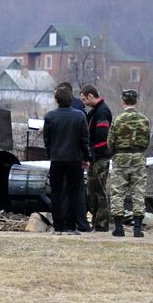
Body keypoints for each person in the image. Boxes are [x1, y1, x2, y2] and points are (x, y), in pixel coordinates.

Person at [42, 85, 92, 235]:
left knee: (56, 193)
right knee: (73, 193)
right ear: (71, 99)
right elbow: (85, 139)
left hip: (57, 159)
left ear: (56, 100)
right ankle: (71, 226)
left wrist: (50, 154)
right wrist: (87, 157)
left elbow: (47, 139)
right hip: (74, 160)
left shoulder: (50, 116)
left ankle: (58, 227)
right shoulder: (79, 116)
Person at [108, 88, 152, 237]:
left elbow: (110, 142)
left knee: (117, 192)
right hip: (138, 157)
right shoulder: (143, 119)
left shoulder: (118, 119)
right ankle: (138, 228)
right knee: (138, 192)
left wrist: (115, 152)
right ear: (136, 100)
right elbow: (146, 141)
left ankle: (119, 228)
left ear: (123, 101)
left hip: (121, 158)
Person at [55, 81, 91, 232]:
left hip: (61, 157)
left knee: (65, 192)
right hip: (74, 157)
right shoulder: (79, 111)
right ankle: (77, 224)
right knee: (76, 191)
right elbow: (84, 137)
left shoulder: (59, 114)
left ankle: (65, 224)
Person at [81, 84, 114, 231]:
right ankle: (95, 222)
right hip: (95, 157)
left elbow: (102, 136)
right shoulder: (94, 111)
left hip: (100, 158)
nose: (83, 102)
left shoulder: (102, 112)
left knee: (99, 191)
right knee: (91, 191)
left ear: (90, 96)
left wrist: (92, 154)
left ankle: (101, 225)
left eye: (84, 99)